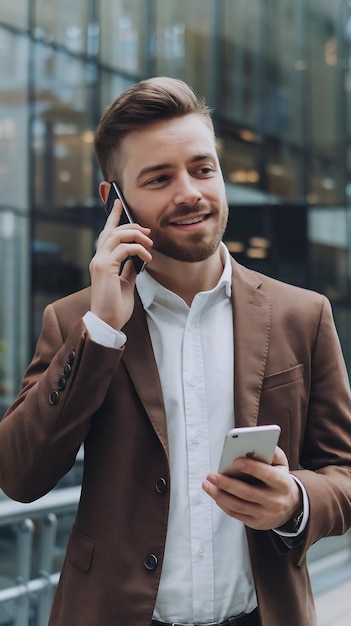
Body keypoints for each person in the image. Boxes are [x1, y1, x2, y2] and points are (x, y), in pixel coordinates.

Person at [1, 77, 351, 626]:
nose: (189, 192)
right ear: (113, 200)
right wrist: (102, 331)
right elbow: (19, 477)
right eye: (159, 178)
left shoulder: (302, 315)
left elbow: (345, 473)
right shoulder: (75, 321)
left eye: (203, 168)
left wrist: (295, 503)